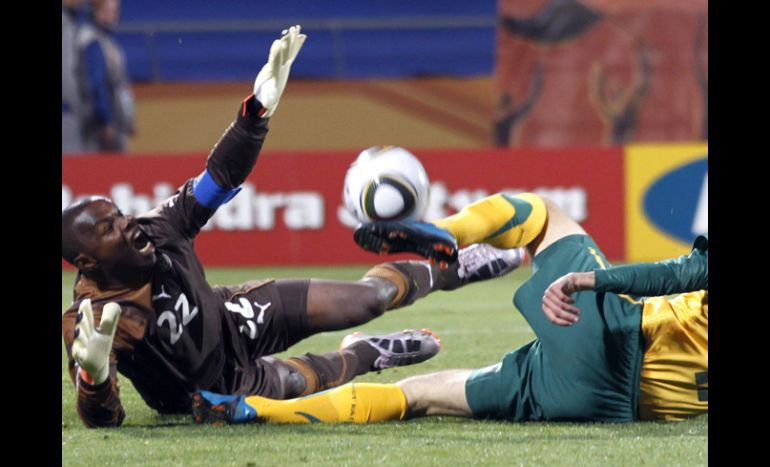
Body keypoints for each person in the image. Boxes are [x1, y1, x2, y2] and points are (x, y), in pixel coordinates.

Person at [63, 27, 526, 428]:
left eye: (119, 214)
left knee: (368, 299)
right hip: (212, 388)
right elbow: (105, 419)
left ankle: (452, 268)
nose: (127, 224)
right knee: (298, 381)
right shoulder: (90, 322)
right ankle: (365, 354)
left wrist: (256, 114)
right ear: (87, 262)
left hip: (232, 316)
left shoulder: (157, 228)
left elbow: (219, 179)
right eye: (110, 228)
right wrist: (94, 376)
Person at [192, 192, 707, 424]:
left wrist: (591, 279)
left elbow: (676, 275)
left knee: (542, 214)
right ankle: (253, 410)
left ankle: (444, 234)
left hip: (612, 339)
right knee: (417, 396)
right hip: (602, 406)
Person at [75, 0, 135, 152]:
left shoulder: (108, 41)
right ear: (95, 11)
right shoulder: (90, 40)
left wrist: (128, 115)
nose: (113, 16)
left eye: (115, 11)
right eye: (108, 11)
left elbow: (121, 84)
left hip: (116, 118)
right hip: (103, 122)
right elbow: (97, 82)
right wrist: (106, 120)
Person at [63, 0, 86, 153]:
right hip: (67, 116)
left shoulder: (70, 22)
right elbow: (67, 77)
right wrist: (84, 110)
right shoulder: (64, 27)